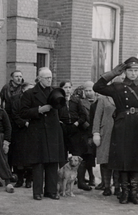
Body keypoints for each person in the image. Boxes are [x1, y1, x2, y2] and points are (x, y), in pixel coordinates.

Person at [93, 57, 138, 205]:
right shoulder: (117, 87)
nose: (133, 73)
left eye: (136, 70)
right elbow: (97, 87)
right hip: (122, 126)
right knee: (123, 159)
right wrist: (112, 74)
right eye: (130, 70)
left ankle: (134, 193)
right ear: (124, 72)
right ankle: (124, 193)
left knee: (137, 158)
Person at [19, 67, 65, 201]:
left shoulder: (55, 92)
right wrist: (38, 110)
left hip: (53, 131)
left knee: (52, 161)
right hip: (37, 131)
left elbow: (63, 111)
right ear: (39, 79)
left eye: (50, 78)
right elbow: (22, 112)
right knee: (38, 162)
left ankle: (51, 191)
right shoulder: (29, 93)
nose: (49, 80)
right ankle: (37, 192)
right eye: (46, 78)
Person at [58, 82, 91, 191]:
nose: (67, 89)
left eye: (69, 87)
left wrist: (77, 123)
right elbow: (54, 115)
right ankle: (63, 181)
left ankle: (80, 181)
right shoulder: (58, 101)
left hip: (75, 130)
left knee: (77, 155)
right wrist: (60, 123)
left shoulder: (76, 101)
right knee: (62, 155)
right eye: (65, 87)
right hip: (62, 130)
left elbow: (83, 116)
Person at [92, 94, 118, 196]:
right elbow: (97, 116)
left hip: (120, 131)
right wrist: (96, 132)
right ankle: (106, 186)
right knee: (104, 159)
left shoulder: (123, 95)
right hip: (105, 132)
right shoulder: (103, 99)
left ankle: (117, 186)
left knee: (118, 159)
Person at [10, 82, 35, 188]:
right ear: (24, 90)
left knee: (30, 158)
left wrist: (32, 123)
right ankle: (20, 180)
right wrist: (24, 123)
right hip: (20, 132)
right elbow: (14, 115)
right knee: (19, 158)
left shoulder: (34, 101)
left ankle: (29, 180)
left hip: (32, 132)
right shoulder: (16, 101)